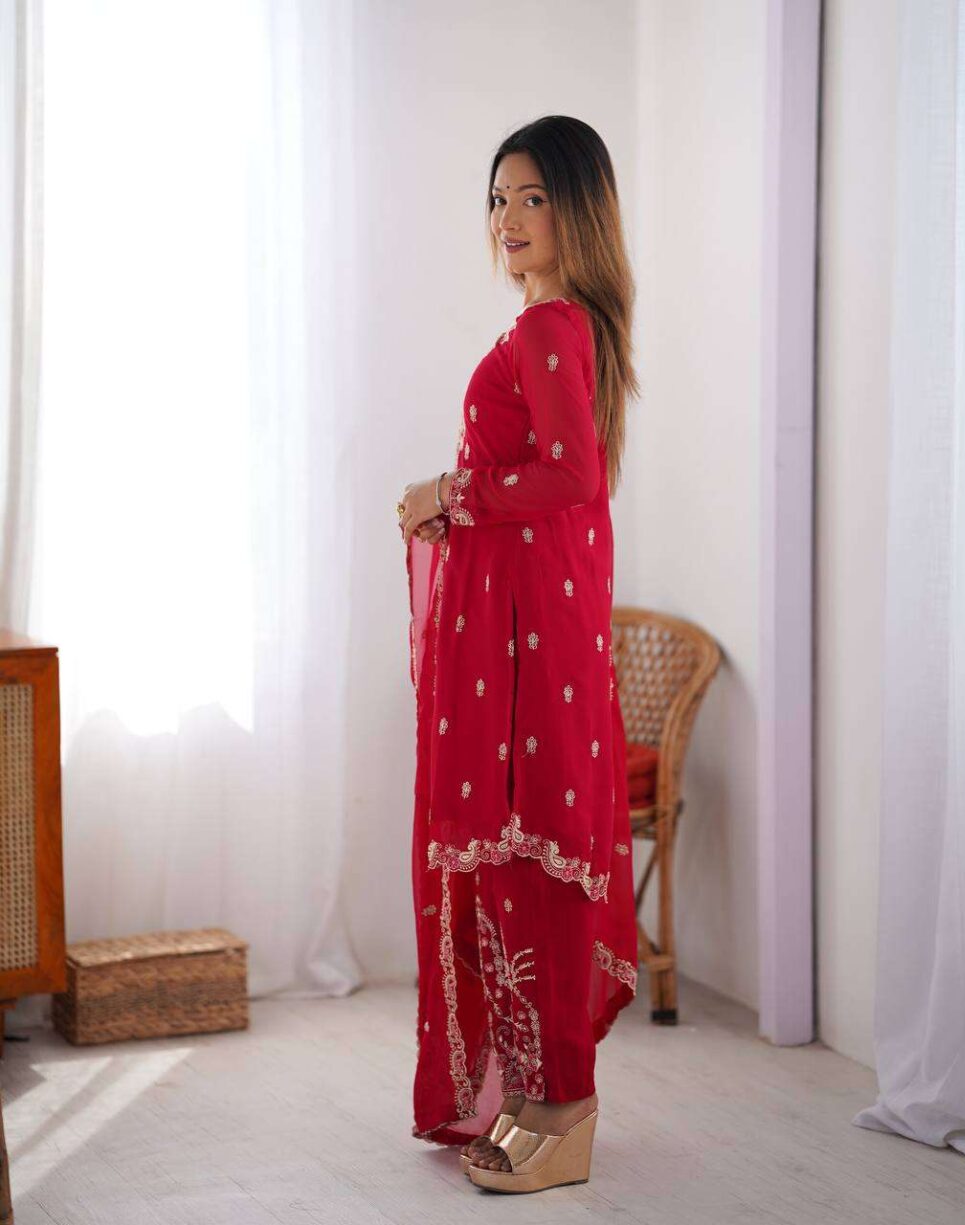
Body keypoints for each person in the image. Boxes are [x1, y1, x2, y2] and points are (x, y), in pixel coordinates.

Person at [398, 114, 641, 1194]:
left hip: (528, 640)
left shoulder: (549, 326)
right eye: (499, 198)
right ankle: (542, 1096)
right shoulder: (560, 322)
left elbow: (570, 476)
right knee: (520, 854)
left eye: (532, 197)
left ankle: (563, 1109)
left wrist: (446, 493)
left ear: (577, 208)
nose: (508, 217)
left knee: (533, 856)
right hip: (532, 628)